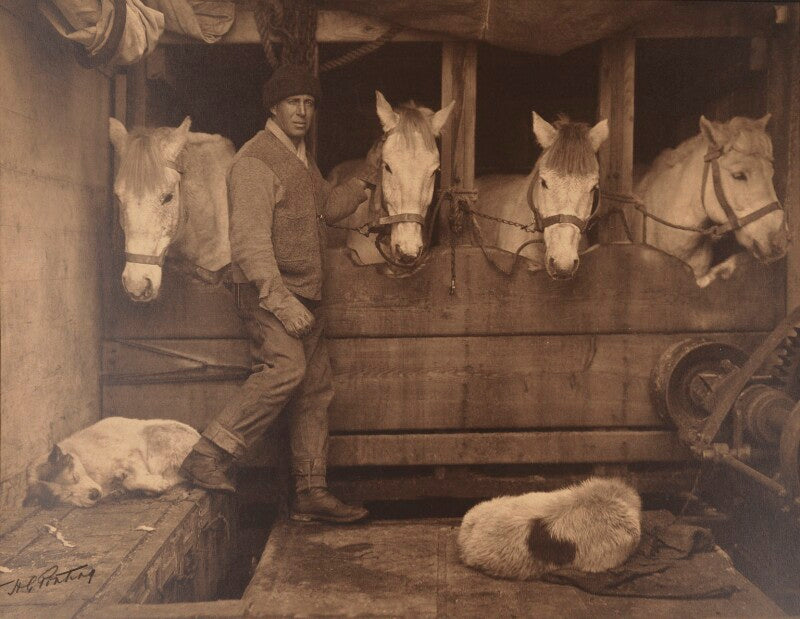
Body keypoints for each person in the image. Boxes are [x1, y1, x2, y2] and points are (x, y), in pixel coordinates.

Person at [179, 64, 378, 523]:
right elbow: (248, 243)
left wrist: (366, 178)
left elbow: (327, 207)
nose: (303, 112)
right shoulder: (254, 160)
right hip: (272, 294)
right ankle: (208, 454)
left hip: (306, 292)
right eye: (294, 103)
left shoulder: (299, 157)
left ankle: (311, 489)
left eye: (309, 104)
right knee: (285, 369)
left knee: (315, 389)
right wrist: (281, 301)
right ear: (274, 106)